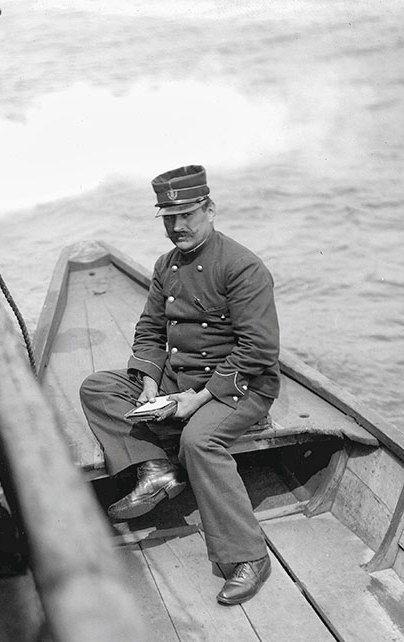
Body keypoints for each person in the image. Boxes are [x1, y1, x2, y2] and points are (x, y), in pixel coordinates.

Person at [79, 165, 281, 605]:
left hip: (239, 386)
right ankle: (156, 469)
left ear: (210, 209)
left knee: (198, 440)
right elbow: (150, 330)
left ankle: (248, 557)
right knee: (98, 387)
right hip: (178, 378)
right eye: (168, 217)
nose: (177, 227)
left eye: (187, 214)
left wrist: (200, 399)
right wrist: (150, 381)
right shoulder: (166, 265)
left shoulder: (243, 267)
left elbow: (259, 351)